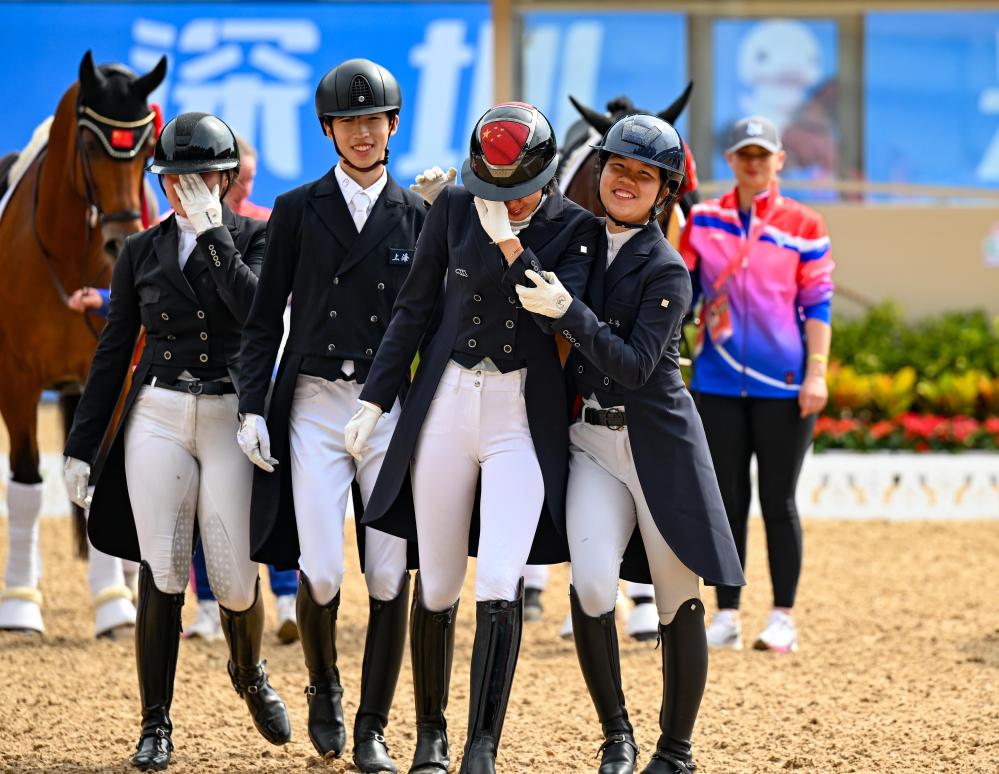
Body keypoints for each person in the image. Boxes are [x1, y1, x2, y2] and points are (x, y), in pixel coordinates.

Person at [345, 102, 600, 774]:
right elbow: (412, 310)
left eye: (519, 194)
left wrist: (511, 245)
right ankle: (430, 735)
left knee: (499, 577)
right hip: (449, 402)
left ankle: (481, 746)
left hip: (520, 412)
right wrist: (374, 399)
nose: (506, 204)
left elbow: (555, 321)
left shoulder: (577, 229)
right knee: (436, 582)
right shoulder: (454, 208)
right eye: (496, 191)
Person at [63, 112, 292, 771]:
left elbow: (258, 316)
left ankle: (248, 670)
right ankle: (155, 724)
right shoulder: (140, 250)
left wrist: (214, 235)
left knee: (234, 579)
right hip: (159, 411)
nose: (185, 190)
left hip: (229, 413)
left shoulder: (256, 236)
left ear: (225, 179)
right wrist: (81, 446)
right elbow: (113, 351)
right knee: (162, 568)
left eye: (200, 178)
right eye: (173, 180)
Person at [517, 113, 744, 774]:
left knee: (676, 598)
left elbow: (636, 365)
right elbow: (519, 223)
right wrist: (444, 209)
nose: (627, 181)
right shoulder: (579, 237)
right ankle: (616, 735)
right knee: (591, 588)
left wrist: (568, 312)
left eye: (644, 175)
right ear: (599, 170)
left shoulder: (668, 270)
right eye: (618, 167)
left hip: (657, 448)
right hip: (591, 441)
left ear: (663, 191)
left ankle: (675, 751)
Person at [236, 58, 427, 773]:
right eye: (348, 122)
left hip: (385, 408)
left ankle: (373, 725)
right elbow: (263, 319)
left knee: (388, 572)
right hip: (315, 404)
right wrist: (253, 406)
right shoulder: (296, 209)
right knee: (319, 568)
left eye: (372, 119)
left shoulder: (420, 215)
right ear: (328, 130)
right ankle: (324, 684)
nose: (361, 133)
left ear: (392, 125)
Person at [679, 115, 834, 653]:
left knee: (778, 501)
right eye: (744, 154)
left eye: (762, 154)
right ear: (730, 160)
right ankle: (726, 614)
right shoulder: (704, 219)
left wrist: (817, 373)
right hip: (717, 383)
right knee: (725, 501)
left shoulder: (805, 224)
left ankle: (782, 617)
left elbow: (818, 305)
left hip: (784, 387)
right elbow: (682, 290)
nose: (753, 163)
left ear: (779, 161)